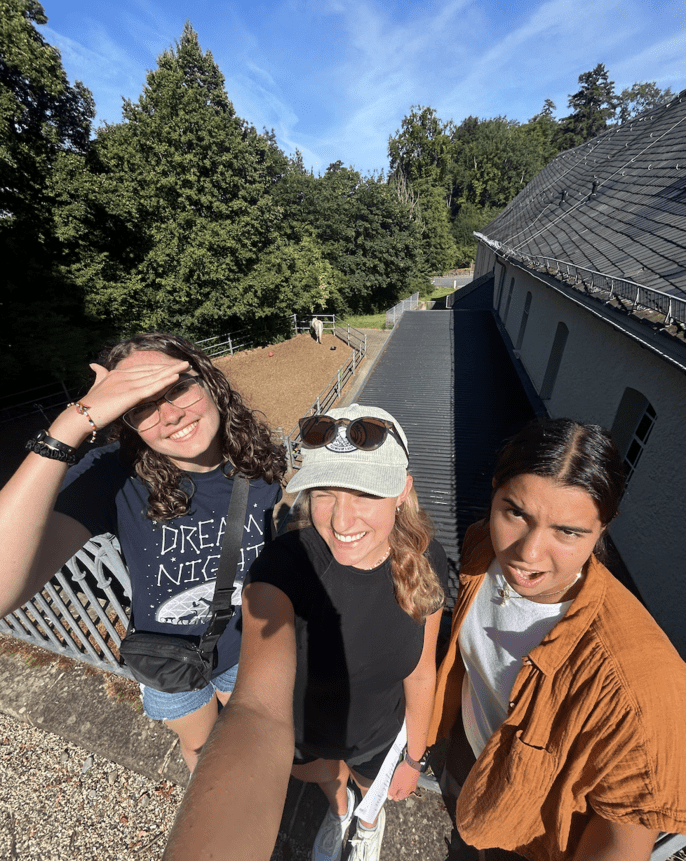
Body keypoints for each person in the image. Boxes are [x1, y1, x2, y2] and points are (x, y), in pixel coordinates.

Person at [162, 403, 448, 861]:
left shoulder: (427, 562)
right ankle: (339, 814)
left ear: (401, 492)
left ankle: (368, 821)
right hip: (306, 740)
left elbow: (420, 673)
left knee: (370, 791)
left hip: (379, 738)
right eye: (325, 493)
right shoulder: (288, 565)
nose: (341, 520)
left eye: (364, 494)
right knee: (332, 785)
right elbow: (254, 707)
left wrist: (414, 757)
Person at [0, 333, 284, 773]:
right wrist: (72, 425)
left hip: (243, 649)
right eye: (140, 406)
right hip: (167, 665)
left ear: (210, 382)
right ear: (123, 420)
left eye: (177, 389)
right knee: (202, 753)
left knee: (249, 744)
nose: (169, 415)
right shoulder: (112, 477)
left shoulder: (261, 463)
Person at [428, 418, 686, 861]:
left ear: (603, 528)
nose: (527, 554)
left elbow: (622, 840)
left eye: (567, 532)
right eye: (516, 513)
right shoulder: (481, 549)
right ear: (493, 493)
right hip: (466, 758)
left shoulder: (638, 685)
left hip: (534, 832)